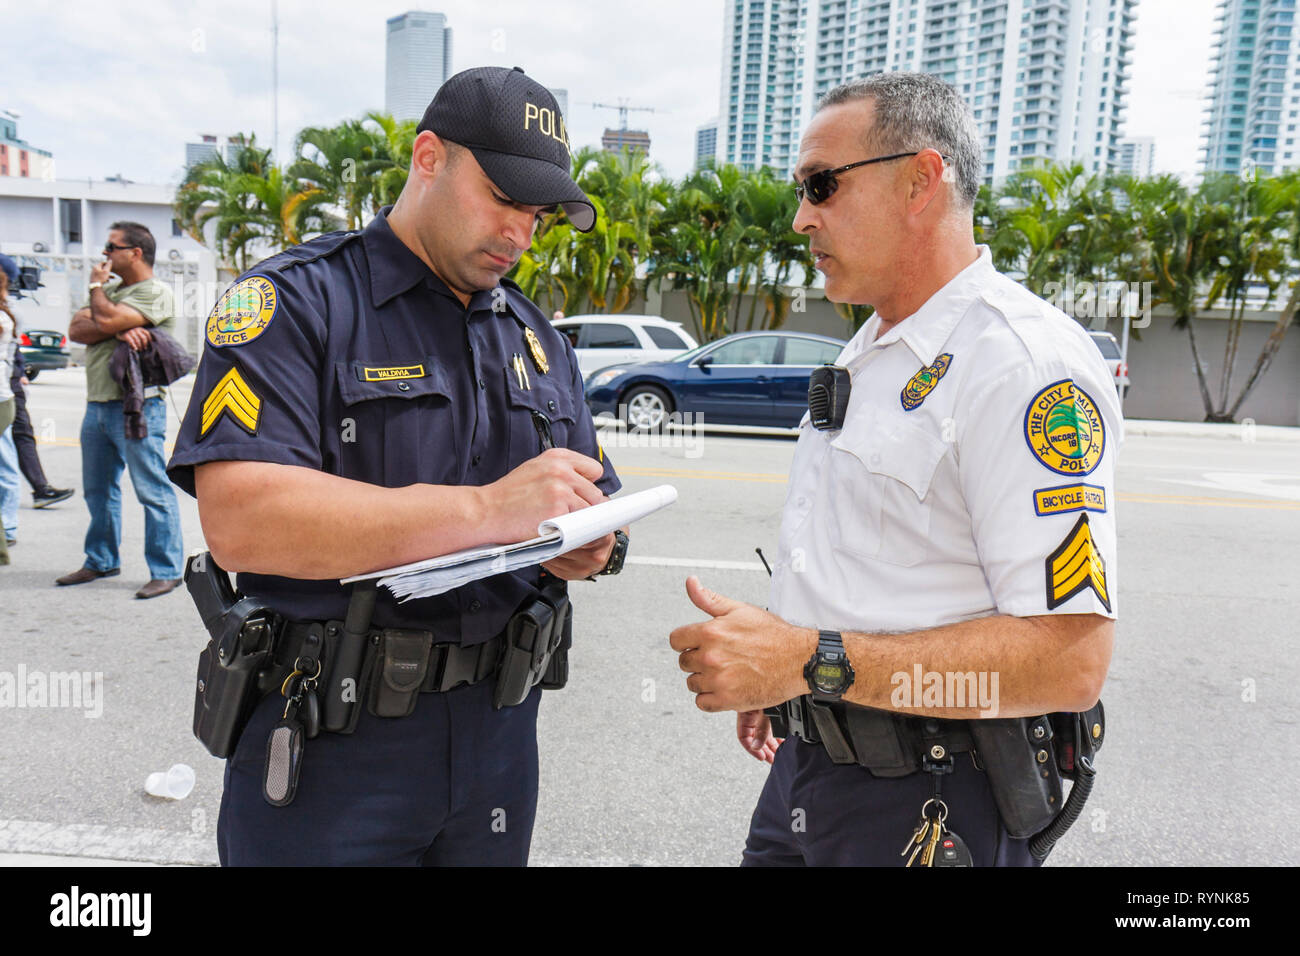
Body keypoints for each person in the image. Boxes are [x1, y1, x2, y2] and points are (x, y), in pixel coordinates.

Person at [166, 66, 625, 866]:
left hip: (499, 739)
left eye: (538, 213)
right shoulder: (296, 302)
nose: (520, 232)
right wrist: (487, 512)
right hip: (337, 741)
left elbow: (591, 497)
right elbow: (243, 520)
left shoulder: (536, 338)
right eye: (503, 197)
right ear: (427, 157)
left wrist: (594, 544)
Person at [668, 72, 1119, 866]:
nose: (802, 216)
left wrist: (808, 658)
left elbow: (1068, 658)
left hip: (930, 799)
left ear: (921, 179)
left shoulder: (1020, 365)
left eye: (822, 184)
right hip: (813, 771)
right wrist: (790, 677)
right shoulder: (874, 344)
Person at [57, 222, 185, 598]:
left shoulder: (154, 292)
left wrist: (99, 297)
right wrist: (114, 325)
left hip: (138, 407)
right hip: (96, 405)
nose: (104, 255)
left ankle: (166, 569)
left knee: (151, 490)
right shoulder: (114, 290)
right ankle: (100, 559)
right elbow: (76, 329)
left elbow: (103, 318)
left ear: (135, 253)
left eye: (111, 247)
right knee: (98, 491)